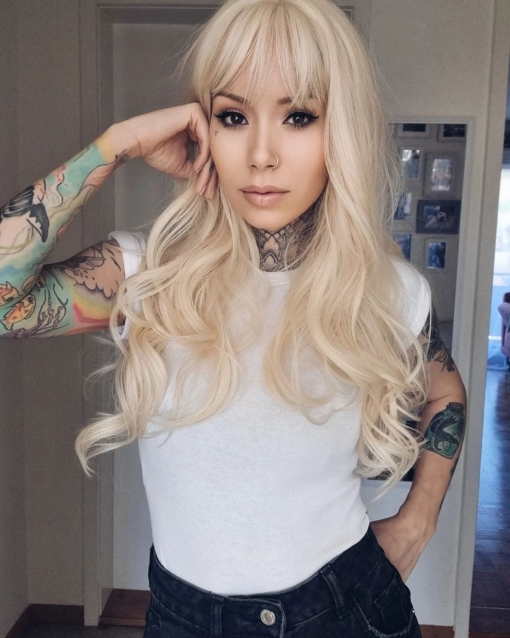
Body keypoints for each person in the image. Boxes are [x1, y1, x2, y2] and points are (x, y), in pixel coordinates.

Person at [0, 0, 467, 636]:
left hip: (344, 610)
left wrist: (420, 518)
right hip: (183, 617)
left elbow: (444, 390)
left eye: (298, 116)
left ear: (341, 129)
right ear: (205, 128)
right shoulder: (148, 274)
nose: (261, 154)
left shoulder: (387, 291)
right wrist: (115, 145)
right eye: (233, 116)